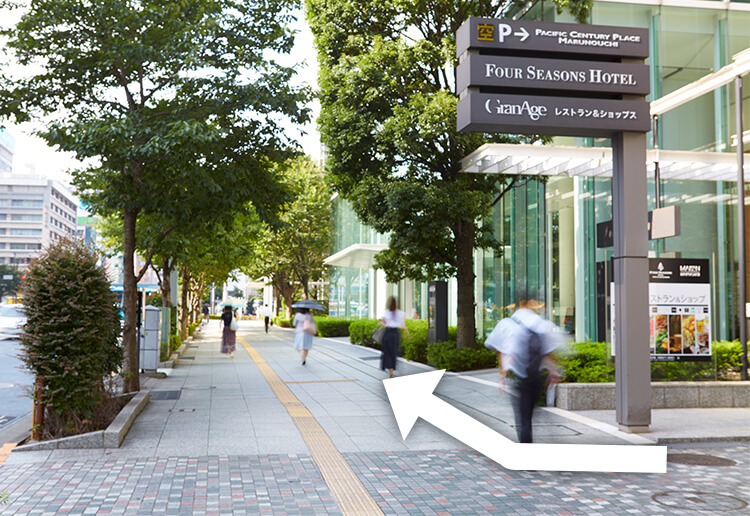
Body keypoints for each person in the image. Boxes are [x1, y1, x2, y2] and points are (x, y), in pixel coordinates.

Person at [484, 288, 561, 443]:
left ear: (517, 304)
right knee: (530, 414)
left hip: (520, 378)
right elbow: (548, 352)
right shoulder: (540, 323)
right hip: (537, 379)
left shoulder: (508, 324)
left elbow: (501, 350)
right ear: (531, 303)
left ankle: (526, 452)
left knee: (523, 419)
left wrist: (502, 374)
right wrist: (554, 372)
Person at [379, 296, 410, 379]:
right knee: (394, 352)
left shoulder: (386, 312)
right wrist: (408, 335)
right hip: (395, 334)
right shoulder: (400, 313)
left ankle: (391, 372)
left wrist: (385, 323)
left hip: (387, 333)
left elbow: (383, 323)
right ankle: (393, 368)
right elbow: (403, 326)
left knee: (387, 352)